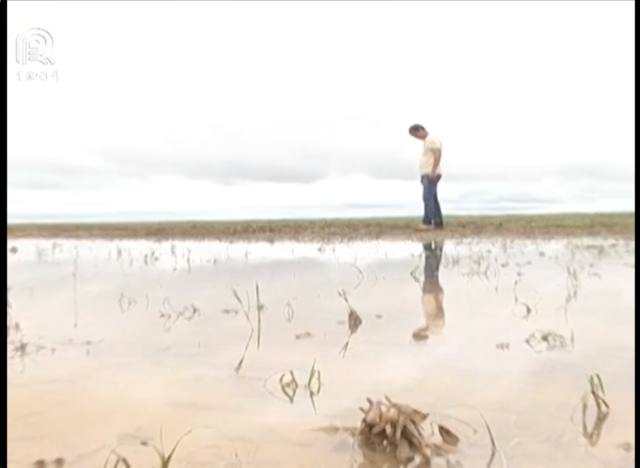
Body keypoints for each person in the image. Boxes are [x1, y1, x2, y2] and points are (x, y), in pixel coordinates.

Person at [409, 124, 443, 230]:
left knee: (427, 198)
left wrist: (433, 170)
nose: (416, 138)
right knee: (433, 198)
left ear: (420, 130)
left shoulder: (431, 139)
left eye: (416, 135)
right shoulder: (428, 141)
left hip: (430, 173)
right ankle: (438, 222)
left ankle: (427, 222)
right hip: (428, 173)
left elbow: (437, 153)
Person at [412, 239, 445, 341]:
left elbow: (423, 329)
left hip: (432, 292)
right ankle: (430, 243)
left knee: (433, 269)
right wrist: (435, 295)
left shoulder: (434, 327)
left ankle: (435, 244)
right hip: (432, 292)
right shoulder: (435, 327)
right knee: (431, 267)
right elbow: (439, 310)